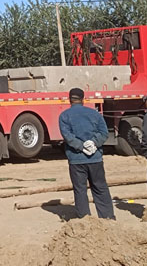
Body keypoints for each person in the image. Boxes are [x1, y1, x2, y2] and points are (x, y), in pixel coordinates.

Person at [58, 87, 115, 219]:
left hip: (76, 160)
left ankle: (85, 220)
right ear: (83, 99)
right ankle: (108, 218)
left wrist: (80, 146)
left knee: (80, 190)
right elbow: (104, 132)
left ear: (69, 99)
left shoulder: (64, 116)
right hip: (95, 158)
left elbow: (68, 136)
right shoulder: (95, 114)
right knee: (100, 188)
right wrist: (94, 143)